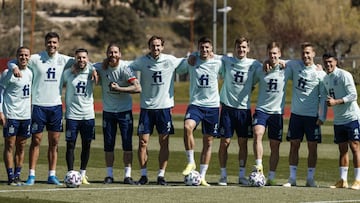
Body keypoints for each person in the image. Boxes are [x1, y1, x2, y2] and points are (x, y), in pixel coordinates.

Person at [8, 32, 73, 185]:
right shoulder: (36, 58)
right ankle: (32, 175)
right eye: (49, 42)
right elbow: (13, 61)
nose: (52, 45)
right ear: (45, 43)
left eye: (55, 42)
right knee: (36, 141)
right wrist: (13, 67)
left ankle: (52, 175)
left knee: (54, 142)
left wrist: (95, 70)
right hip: (38, 106)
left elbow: (83, 62)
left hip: (56, 106)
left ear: (58, 44)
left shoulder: (64, 59)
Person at [129, 35, 185, 185]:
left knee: (164, 142)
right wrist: (131, 81)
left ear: (163, 47)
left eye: (158, 45)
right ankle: (143, 175)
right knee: (142, 142)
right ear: (149, 47)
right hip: (146, 108)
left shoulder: (171, 60)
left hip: (164, 108)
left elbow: (188, 63)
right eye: (153, 46)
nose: (156, 48)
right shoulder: (142, 61)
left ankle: (161, 175)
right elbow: (127, 68)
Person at [94, 43, 141, 185]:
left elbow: (137, 88)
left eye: (115, 52)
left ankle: (127, 176)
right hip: (108, 112)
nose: (113, 55)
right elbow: (87, 66)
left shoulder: (125, 69)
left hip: (124, 112)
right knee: (109, 144)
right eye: (110, 52)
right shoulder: (100, 66)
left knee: (127, 144)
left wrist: (120, 89)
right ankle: (109, 175)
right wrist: (94, 72)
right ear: (106, 54)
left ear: (120, 54)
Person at [217, 37, 262, 186]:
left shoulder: (254, 64)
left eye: (244, 47)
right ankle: (223, 175)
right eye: (238, 47)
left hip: (244, 110)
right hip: (228, 109)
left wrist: (281, 62)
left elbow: (270, 65)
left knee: (243, 143)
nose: (241, 50)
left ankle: (241, 175)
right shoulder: (227, 60)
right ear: (235, 48)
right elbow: (208, 54)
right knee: (225, 142)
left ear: (248, 49)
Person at [282, 42, 327, 187]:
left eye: (308, 53)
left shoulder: (320, 73)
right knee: (294, 145)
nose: (305, 55)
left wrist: (322, 116)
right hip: (296, 115)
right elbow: (279, 60)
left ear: (314, 54)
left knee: (312, 147)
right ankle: (292, 178)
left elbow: (323, 96)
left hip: (312, 117)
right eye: (303, 53)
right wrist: (266, 62)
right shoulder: (295, 65)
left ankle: (310, 178)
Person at [180, 36, 222, 186]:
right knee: (187, 127)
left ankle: (202, 176)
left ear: (211, 49)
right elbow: (179, 65)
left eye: (207, 48)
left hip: (212, 107)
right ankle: (191, 162)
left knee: (208, 141)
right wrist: (190, 56)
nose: (204, 50)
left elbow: (234, 63)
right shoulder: (192, 61)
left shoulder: (218, 61)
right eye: (202, 48)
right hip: (196, 105)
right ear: (198, 49)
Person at [252, 42, 291, 186]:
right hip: (261, 110)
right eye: (270, 54)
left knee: (275, 146)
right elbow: (251, 82)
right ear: (267, 54)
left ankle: (271, 176)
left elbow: (301, 63)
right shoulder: (261, 69)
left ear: (279, 54)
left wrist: (318, 67)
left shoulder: (286, 68)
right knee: (257, 134)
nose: (273, 56)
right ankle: (259, 166)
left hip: (277, 113)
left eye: (275, 53)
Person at [322, 53, 360, 190]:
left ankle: (358, 180)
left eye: (330, 62)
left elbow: (353, 95)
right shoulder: (325, 79)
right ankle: (343, 180)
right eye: (325, 62)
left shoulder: (344, 75)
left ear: (336, 62)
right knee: (342, 149)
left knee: (355, 147)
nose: (328, 65)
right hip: (338, 120)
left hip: (351, 117)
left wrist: (336, 102)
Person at [61, 48, 95, 185]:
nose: (81, 60)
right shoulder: (68, 73)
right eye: (79, 58)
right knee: (70, 145)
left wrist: (93, 69)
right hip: (72, 115)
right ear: (75, 59)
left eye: (84, 57)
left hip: (88, 115)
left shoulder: (92, 71)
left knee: (86, 145)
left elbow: (100, 65)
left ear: (87, 59)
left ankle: (83, 174)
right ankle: (70, 173)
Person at [0, 47, 32, 185]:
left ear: (29, 57)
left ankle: (18, 175)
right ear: (16, 56)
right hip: (11, 114)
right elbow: (0, 92)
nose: (23, 57)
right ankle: (10, 176)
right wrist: (0, 112)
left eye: (26, 55)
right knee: (10, 145)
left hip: (26, 116)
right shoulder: (8, 73)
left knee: (22, 146)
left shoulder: (30, 72)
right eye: (21, 55)